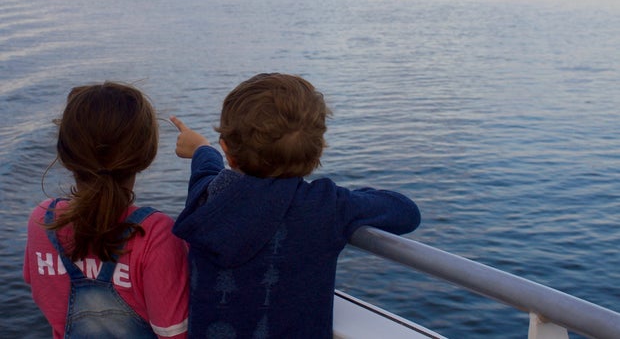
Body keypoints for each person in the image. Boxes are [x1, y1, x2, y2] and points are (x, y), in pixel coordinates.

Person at [171, 73, 421, 338]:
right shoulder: (327, 205)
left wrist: (202, 148)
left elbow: (206, 173)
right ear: (317, 151)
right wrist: (346, 198)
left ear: (227, 151)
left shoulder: (207, 200)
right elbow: (406, 212)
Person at [23, 82, 189, 338]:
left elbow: (39, 290)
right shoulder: (156, 235)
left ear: (66, 154)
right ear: (146, 154)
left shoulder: (43, 221)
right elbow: (174, 333)